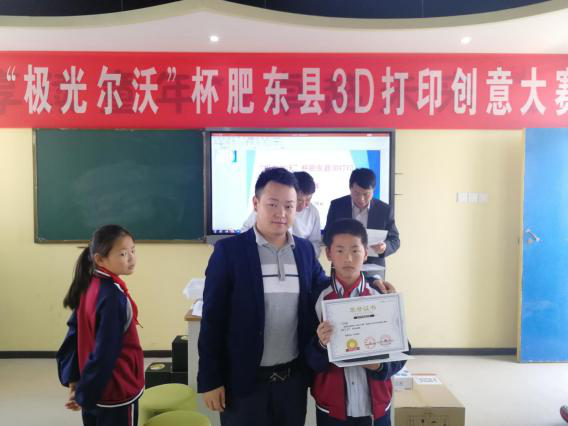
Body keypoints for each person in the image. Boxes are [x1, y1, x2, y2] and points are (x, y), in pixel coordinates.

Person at [197, 167, 329, 426]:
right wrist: (211, 379)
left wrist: (370, 285)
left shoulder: (304, 250)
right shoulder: (229, 252)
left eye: (289, 206)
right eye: (273, 204)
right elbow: (212, 320)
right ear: (256, 203)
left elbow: (324, 287)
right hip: (244, 384)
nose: (282, 213)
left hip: (292, 383)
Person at [307, 218, 405, 426]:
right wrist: (321, 345)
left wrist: (380, 366)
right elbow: (308, 358)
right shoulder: (318, 298)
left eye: (355, 250)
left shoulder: (381, 295)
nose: (348, 258)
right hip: (332, 409)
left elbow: (403, 350)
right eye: (340, 250)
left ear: (366, 253)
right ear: (329, 254)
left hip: (376, 407)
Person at [56, 224, 144, 426]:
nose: (131, 258)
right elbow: (106, 352)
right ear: (99, 259)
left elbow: (73, 336)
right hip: (116, 389)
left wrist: (76, 381)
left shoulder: (89, 285)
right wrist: (84, 392)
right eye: (123, 253)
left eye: (133, 250)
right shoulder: (113, 297)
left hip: (93, 386)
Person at [325, 168, 400, 277]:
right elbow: (327, 235)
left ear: (373, 190)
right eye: (356, 193)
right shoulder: (337, 206)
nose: (361, 199)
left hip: (373, 269)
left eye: (366, 194)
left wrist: (384, 247)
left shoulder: (384, 210)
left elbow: (395, 240)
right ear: (350, 188)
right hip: (342, 265)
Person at [242, 170, 322, 257]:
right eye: (299, 200)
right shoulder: (265, 208)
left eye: (308, 200)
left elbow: (315, 243)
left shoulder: (313, 212)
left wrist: (305, 257)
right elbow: (245, 230)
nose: (303, 205)